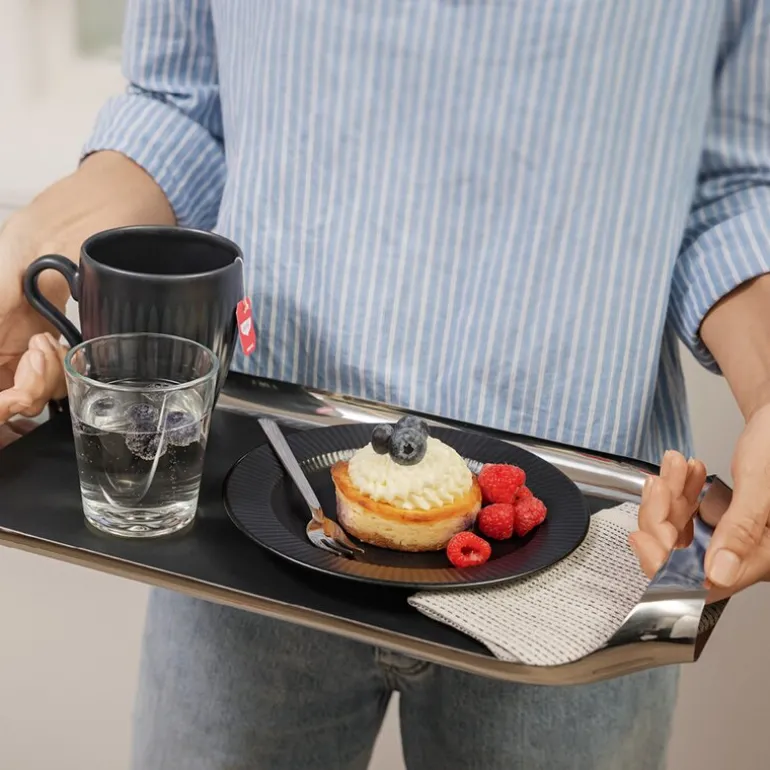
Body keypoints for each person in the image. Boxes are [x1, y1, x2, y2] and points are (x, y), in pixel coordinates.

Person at [1, 1, 769, 767]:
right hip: (259, 508)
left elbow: (735, 184)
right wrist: (28, 254)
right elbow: (182, 109)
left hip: (584, 553)